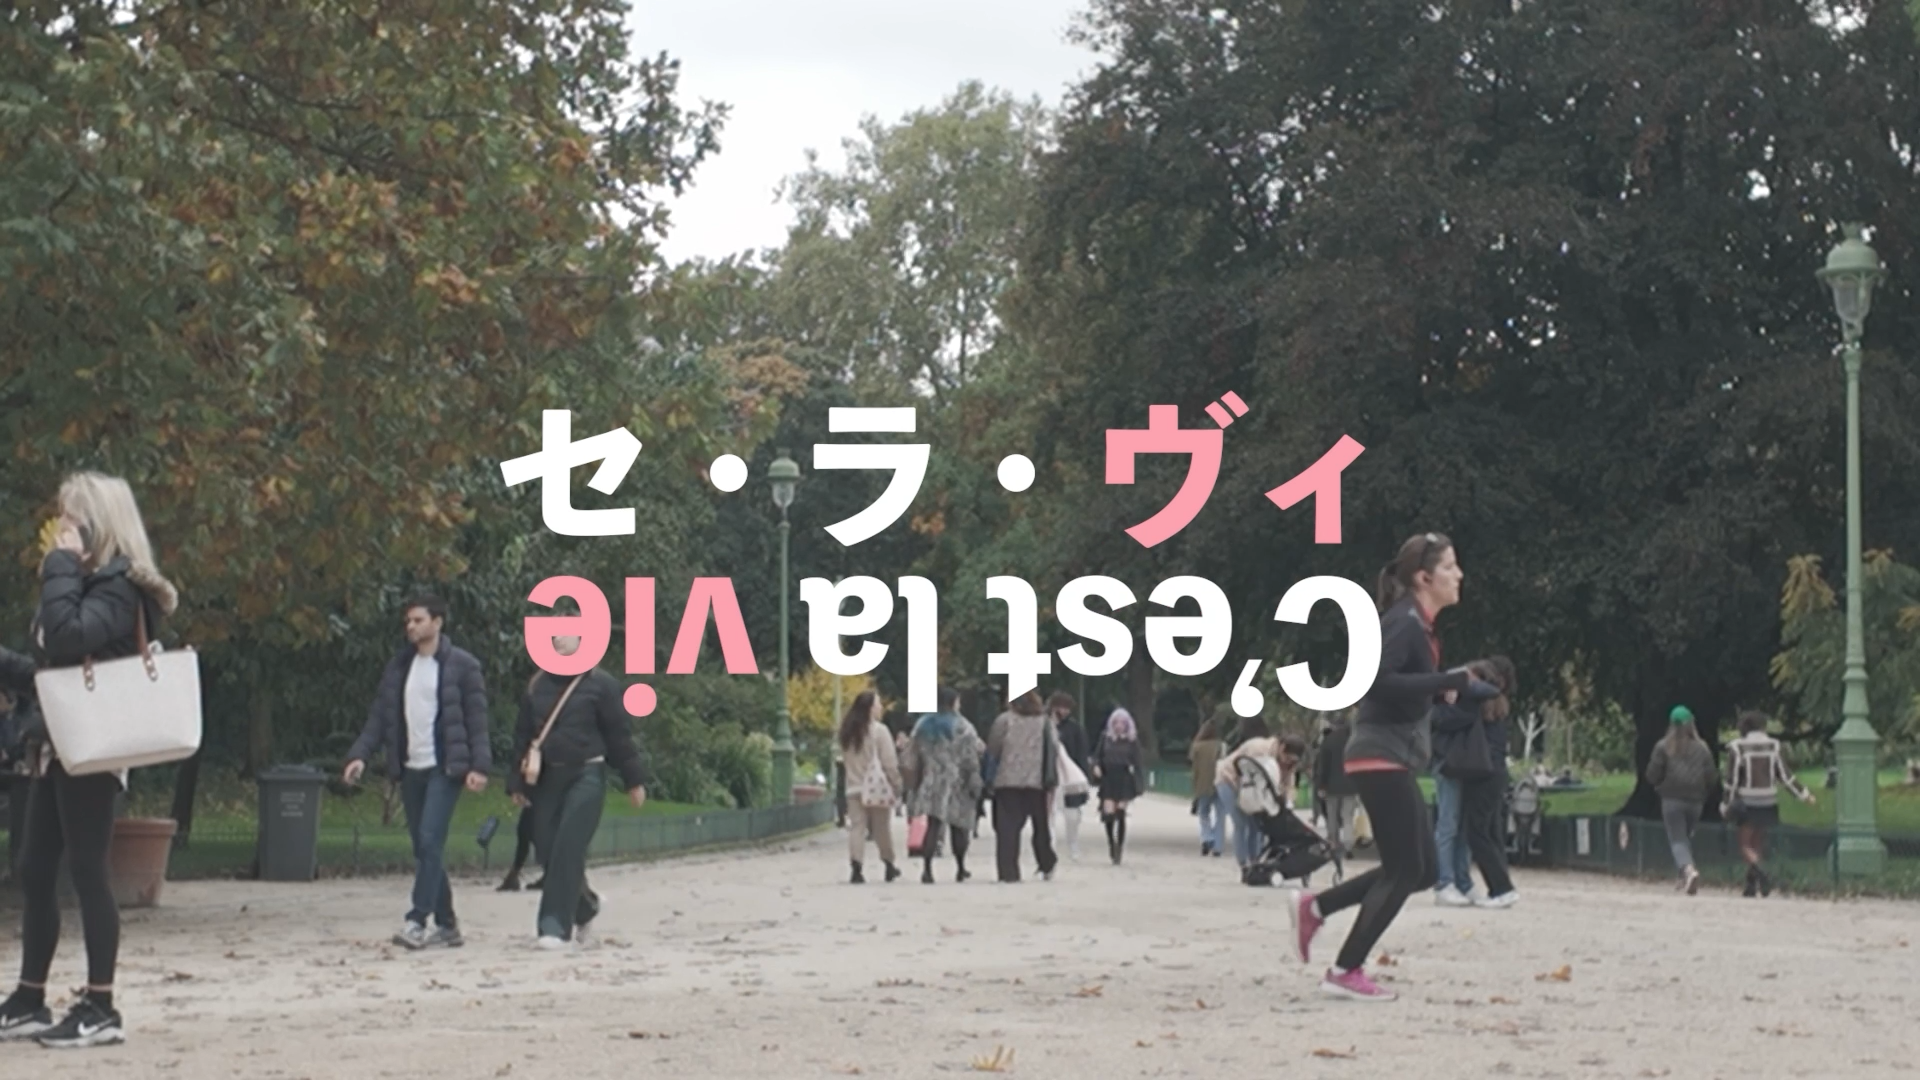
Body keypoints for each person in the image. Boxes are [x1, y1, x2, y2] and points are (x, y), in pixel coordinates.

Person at [0, 472, 180, 1048]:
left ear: (98, 525)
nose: (60, 529)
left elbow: (67, 637)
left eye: (72, 518)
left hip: (97, 744)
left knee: (87, 869)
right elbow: (55, 672)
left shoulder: (119, 588)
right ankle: (30, 995)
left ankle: (101, 1004)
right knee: (34, 866)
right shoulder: (82, 585)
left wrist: (59, 567)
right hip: (61, 741)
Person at [1289, 532, 1486, 1003]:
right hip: (1379, 754)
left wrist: (1443, 689)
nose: (1459, 575)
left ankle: (1317, 907)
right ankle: (1344, 969)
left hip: (1390, 755)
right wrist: (1445, 680)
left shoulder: (1419, 625)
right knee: (1405, 870)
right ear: (1424, 577)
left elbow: (1403, 687)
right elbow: (1374, 680)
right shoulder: (1405, 623)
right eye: (1450, 566)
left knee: (1423, 870)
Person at [343, 595, 491, 951]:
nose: (411, 627)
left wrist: (479, 766)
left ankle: (417, 920)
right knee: (425, 849)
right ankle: (448, 925)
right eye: (408, 621)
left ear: (437, 623)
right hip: (410, 767)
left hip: (445, 767)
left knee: (429, 840)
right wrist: (359, 755)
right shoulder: (399, 667)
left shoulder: (463, 666)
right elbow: (380, 717)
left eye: (418, 620)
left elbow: (477, 720)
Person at [507, 633, 648, 948]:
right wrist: (516, 782)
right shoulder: (536, 686)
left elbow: (619, 735)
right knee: (546, 848)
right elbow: (523, 736)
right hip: (546, 777)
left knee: (569, 844)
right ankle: (585, 906)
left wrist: (633, 779)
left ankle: (553, 926)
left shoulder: (601, 685)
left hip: (586, 773)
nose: (558, 639)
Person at [1450, 658, 1519, 909]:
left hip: (1482, 774)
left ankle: (1501, 887)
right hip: (1495, 773)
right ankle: (1500, 886)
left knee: (1477, 833)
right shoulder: (1496, 705)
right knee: (1490, 832)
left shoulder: (1476, 704)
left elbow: (1449, 718)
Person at [1722, 710, 1814, 898]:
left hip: (1747, 801)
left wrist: (1726, 803)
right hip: (1769, 801)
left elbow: (1732, 781)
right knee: (1757, 842)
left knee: (1745, 844)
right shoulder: (1774, 746)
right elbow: (1785, 776)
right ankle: (1751, 885)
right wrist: (1804, 794)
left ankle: (1761, 873)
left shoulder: (1737, 748)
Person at [902, 687, 985, 883]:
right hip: (958, 782)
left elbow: (911, 754)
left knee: (933, 825)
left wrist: (914, 779)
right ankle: (960, 867)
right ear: (954, 702)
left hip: (932, 780)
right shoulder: (963, 726)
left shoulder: (922, 725)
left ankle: (927, 869)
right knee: (959, 826)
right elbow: (972, 755)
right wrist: (975, 780)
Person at [986, 689, 1061, 883]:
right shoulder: (1044, 722)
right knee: (1040, 825)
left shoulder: (1004, 721)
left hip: (1007, 781)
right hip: (1036, 782)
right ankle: (1046, 861)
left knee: (1007, 828)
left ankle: (1008, 871)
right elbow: (1053, 748)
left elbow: (993, 748)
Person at [1646, 704, 1715, 895]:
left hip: (1672, 799)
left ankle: (1688, 870)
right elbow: (1711, 775)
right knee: (1686, 837)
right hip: (1696, 801)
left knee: (1677, 839)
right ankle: (1682, 877)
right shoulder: (1702, 748)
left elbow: (1653, 774)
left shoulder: (1663, 747)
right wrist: (1705, 790)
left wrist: (1658, 784)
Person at [839, 691, 903, 884]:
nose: (881, 707)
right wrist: (896, 783)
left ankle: (856, 867)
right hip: (876, 787)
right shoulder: (879, 731)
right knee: (881, 828)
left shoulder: (847, 732)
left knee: (857, 828)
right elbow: (889, 762)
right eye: (878, 704)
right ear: (869, 708)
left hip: (853, 787)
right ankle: (889, 864)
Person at [1214, 714, 1275, 869]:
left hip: (1245, 784)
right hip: (1227, 780)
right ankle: (1244, 862)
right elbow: (1248, 772)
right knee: (1241, 823)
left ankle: (1254, 859)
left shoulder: (1266, 749)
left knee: (1255, 824)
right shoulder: (1256, 748)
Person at [1091, 708, 1144, 864]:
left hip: (1124, 778)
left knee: (1120, 813)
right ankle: (1111, 842)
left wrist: (1139, 784)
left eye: (1122, 723)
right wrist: (1096, 766)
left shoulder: (1132, 741)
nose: (1119, 726)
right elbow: (1097, 756)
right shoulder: (1105, 738)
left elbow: (1138, 763)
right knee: (1108, 814)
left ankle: (1119, 847)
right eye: (1116, 723)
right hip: (1108, 778)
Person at [1048, 692, 1092, 860]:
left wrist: (1084, 778)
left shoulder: (1075, 729)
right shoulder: (1045, 726)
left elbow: (1082, 754)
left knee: (1072, 815)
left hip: (1070, 776)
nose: (1064, 711)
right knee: (1050, 812)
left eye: (1067, 708)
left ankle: (1072, 842)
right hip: (1051, 775)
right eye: (1061, 707)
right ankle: (1050, 844)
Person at [1312, 711, 1358, 858]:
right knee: (1348, 817)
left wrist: (1321, 785)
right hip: (1350, 785)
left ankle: (1334, 844)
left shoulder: (1328, 741)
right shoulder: (1353, 739)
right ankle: (1348, 846)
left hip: (1331, 786)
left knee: (1332, 817)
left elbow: (1323, 766)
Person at [1189, 710, 1227, 857]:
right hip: (1220, 782)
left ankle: (1207, 837)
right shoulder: (1221, 746)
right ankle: (1218, 845)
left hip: (1202, 784)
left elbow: (1194, 768)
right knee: (1220, 814)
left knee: (1203, 812)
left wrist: (1194, 785)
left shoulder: (1196, 747)